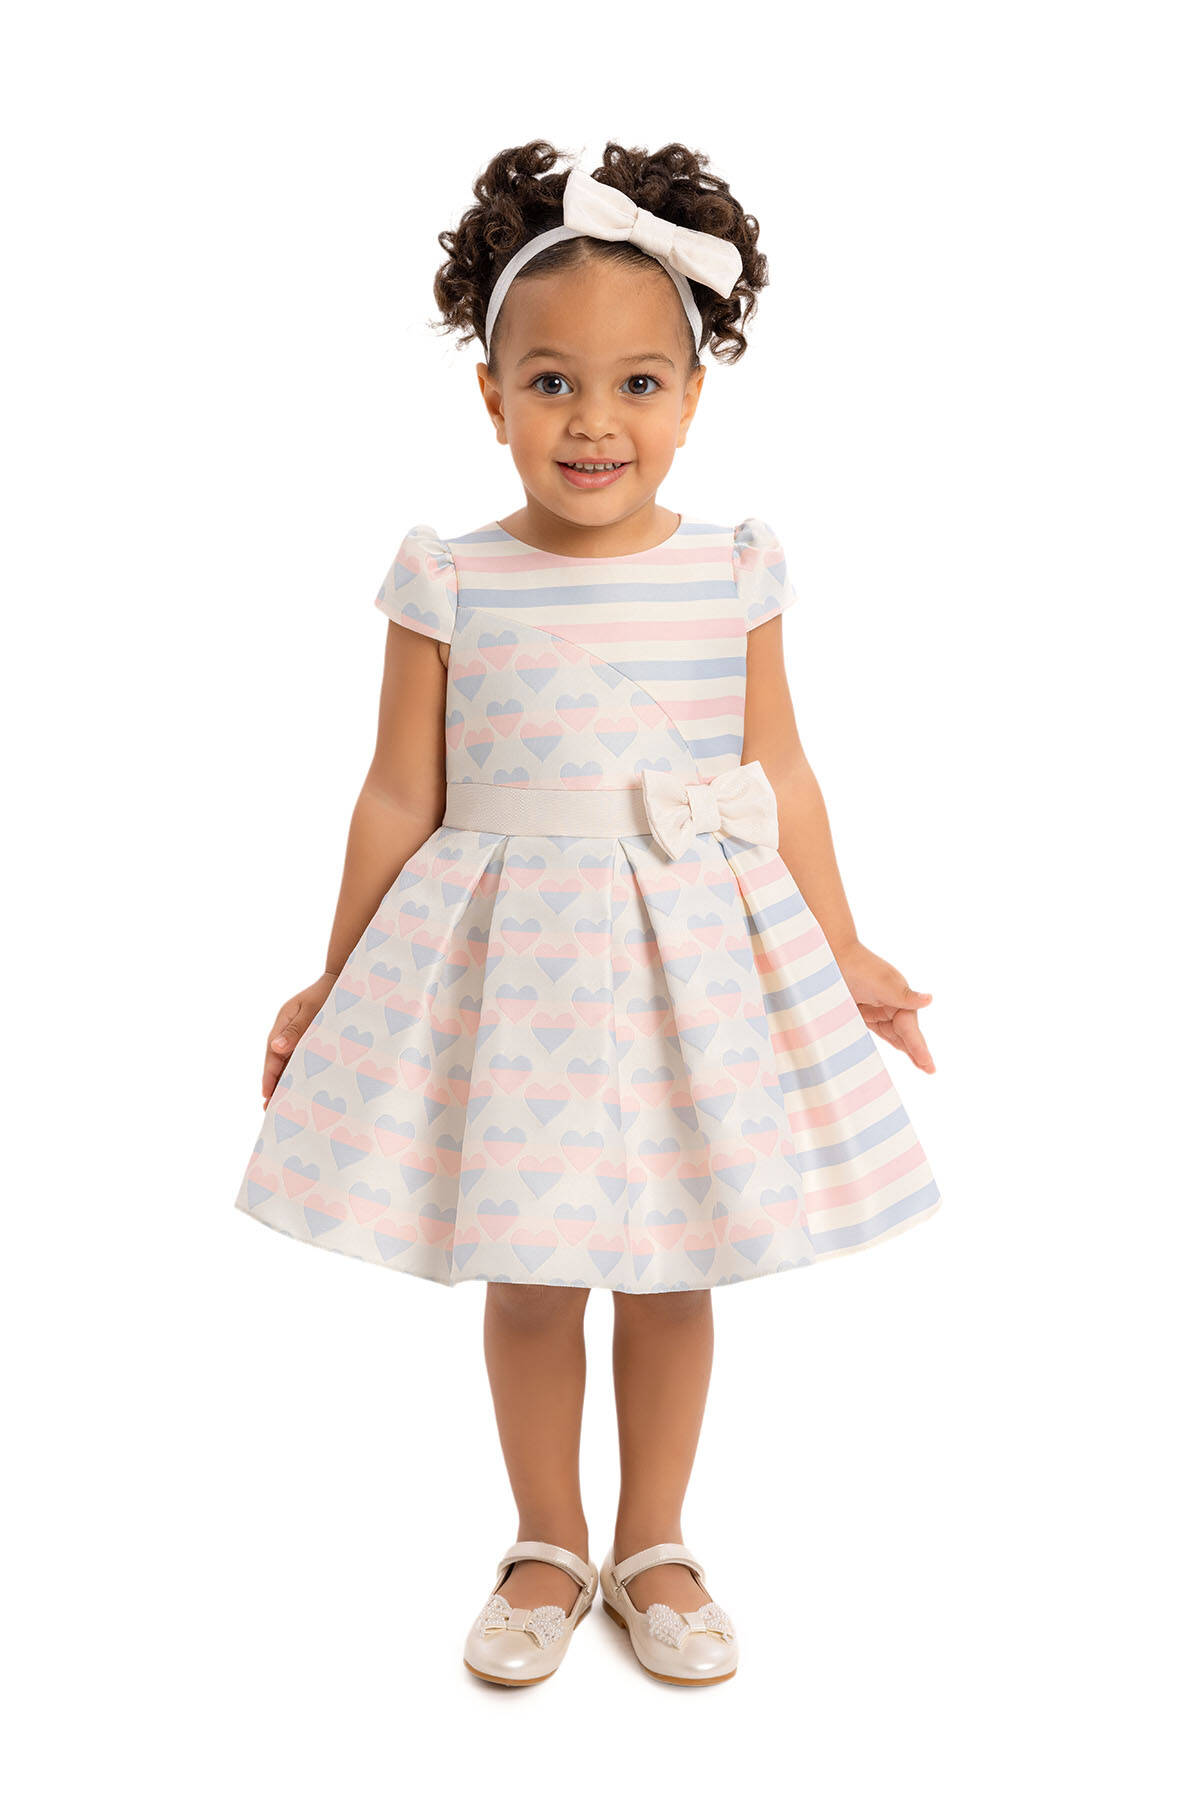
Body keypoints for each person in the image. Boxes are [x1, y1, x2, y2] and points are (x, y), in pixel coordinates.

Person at [233, 138, 941, 1688]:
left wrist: (844, 946)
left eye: (637, 384)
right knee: (536, 1269)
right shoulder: (451, 578)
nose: (593, 421)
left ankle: (658, 1540)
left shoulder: (734, 571)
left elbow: (781, 773)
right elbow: (397, 796)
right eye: (550, 383)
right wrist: (338, 979)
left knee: (674, 1267)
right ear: (491, 398)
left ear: (692, 402)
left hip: (692, 959)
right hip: (522, 976)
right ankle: (548, 1539)